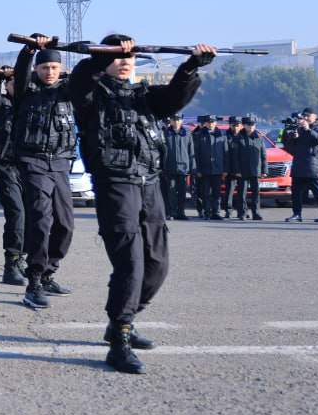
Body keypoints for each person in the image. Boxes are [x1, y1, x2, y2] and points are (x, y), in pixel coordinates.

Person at [70, 35, 214, 374]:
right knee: (130, 263)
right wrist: (96, 57)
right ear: (105, 61)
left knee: (158, 263)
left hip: (149, 182)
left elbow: (176, 97)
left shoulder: (145, 96)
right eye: (119, 57)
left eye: (131, 57)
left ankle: (126, 318)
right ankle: (119, 340)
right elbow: (80, 80)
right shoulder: (91, 95)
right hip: (115, 184)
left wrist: (191, 66)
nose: (125, 62)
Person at [10, 36, 77, 309]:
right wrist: (30, 50)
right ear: (37, 70)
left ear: (60, 69)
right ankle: (34, 281)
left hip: (60, 163)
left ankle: (49, 272)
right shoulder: (26, 91)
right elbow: (21, 71)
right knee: (41, 220)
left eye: (54, 67)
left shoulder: (68, 92)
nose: (49, 72)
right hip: (33, 162)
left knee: (65, 224)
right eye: (44, 67)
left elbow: (88, 78)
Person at [0, 71, 26, 285]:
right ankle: (11, 263)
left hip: (30, 165)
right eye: (14, 82)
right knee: (17, 214)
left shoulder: (31, 101)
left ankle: (23, 257)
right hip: (6, 164)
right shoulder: (1, 104)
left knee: (34, 214)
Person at [283, 107, 318, 223]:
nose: (305, 118)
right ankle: (296, 214)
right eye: (304, 116)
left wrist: (308, 129)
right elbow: (289, 147)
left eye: (308, 116)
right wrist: (292, 137)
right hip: (299, 164)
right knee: (296, 192)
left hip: (312, 165)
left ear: (314, 116)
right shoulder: (299, 129)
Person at [229, 115, 267, 221]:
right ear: (244, 125)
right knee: (242, 193)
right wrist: (236, 171)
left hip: (255, 170)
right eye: (248, 125)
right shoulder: (238, 138)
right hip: (242, 170)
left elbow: (263, 156)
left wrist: (264, 170)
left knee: (256, 193)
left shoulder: (259, 137)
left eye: (253, 125)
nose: (251, 127)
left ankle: (256, 213)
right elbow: (234, 157)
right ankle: (242, 213)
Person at [191, 114, 227, 219]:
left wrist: (225, 169)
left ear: (216, 123)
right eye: (209, 122)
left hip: (217, 169)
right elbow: (196, 154)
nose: (211, 124)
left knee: (217, 193)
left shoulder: (221, 136)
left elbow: (226, 154)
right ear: (206, 123)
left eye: (213, 122)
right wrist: (197, 169)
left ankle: (216, 212)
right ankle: (207, 212)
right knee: (205, 193)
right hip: (204, 170)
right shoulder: (199, 136)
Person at [160, 114, 194, 221]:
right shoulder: (166, 133)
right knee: (171, 191)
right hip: (170, 167)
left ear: (181, 121)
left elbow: (191, 151)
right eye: (175, 120)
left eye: (179, 120)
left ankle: (181, 212)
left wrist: (192, 167)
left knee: (182, 192)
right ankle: (171, 212)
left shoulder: (187, 133)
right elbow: (162, 151)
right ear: (172, 121)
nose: (177, 122)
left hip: (183, 167)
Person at [221, 116, 243, 218]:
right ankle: (228, 211)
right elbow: (224, 154)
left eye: (237, 125)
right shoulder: (225, 136)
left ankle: (242, 211)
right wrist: (225, 170)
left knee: (242, 193)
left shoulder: (244, 135)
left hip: (242, 169)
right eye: (233, 124)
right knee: (229, 192)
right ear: (230, 124)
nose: (235, 127)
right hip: (230, 169)